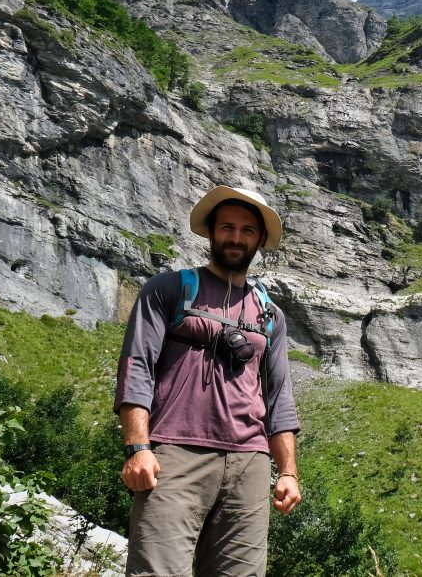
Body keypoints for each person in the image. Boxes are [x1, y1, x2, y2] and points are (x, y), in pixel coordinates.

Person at [114, 185, 301, 577]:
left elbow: (279, 396)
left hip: (249, 464)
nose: (236, 237)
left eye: (247, 230)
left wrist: (287, 472)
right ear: (211, 233)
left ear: (260, 239)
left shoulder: (271, 316)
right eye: (228, 227)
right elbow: (137, 366)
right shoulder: (167, 289)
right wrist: (137, 447)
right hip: (175, 456)